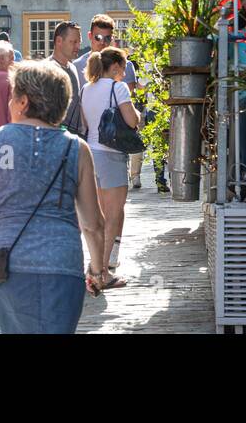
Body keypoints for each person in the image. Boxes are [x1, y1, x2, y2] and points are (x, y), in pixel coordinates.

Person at [0, 60, 107, 334]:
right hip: (61, 263)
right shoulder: (77, 148)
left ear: (23, 102)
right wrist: (98, 270)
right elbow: (93, 224)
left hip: (7, 265)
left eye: (12, 96)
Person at [79, 48, 142, 288]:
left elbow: (86, 123)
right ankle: (102, 272)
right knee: (112, 217)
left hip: (90, 153)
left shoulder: (86, 89)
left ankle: (94, 264)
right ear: (114, 66)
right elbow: (131, 120)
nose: (124, 73)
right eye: (123, 67)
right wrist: (136, 112)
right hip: (112, 155)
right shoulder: (119, 88)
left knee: (96, 217)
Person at [73, 15, 142, 190]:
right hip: (103, 148)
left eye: (107, 38)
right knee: (112, 211)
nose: (102, 42)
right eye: (98, 37)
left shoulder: (125, 67)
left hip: (99, 146)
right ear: (90, 36)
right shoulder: (77, 66)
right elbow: (129, 116)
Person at [49, 21, 84, 127]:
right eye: (73, 42)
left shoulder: (73, 67)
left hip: (74, 135)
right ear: (59, 41)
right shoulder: (47, 70)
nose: (78, 46)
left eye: (79, 42)